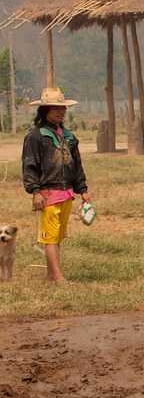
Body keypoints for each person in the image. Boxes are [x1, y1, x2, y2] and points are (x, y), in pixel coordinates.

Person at [21, 87, 91, 284]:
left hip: (67, 193)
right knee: (50, 237)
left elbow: (77, 165)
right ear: (45, 111)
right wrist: (35, 191)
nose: (61, 112)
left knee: (57, 237)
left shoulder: (68, 137)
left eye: (63, 109)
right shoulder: (35, 136)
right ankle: (58, 277)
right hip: (47, 194)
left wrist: (83, 190)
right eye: (55, 109)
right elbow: (29, 165)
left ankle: (51, 276)